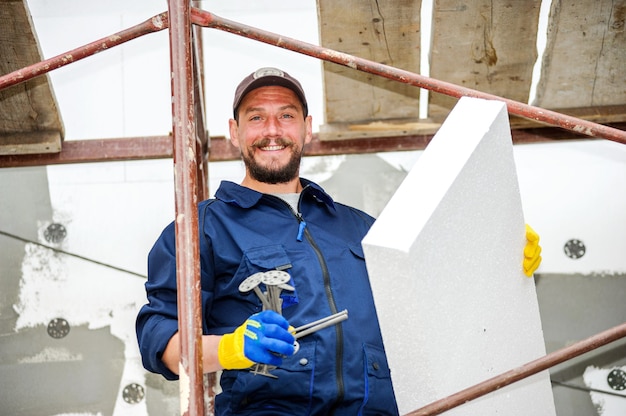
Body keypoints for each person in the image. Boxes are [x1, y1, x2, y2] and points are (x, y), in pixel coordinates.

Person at [136, 67, 542, 415]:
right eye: (256, 117)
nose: (272, 130)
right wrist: (229, 349)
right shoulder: (202, 228)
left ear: (307, 129)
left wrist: (494, 253)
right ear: (234, 132)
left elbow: (434, 305)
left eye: (286, 116)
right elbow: (160, 340)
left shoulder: (362, 228)